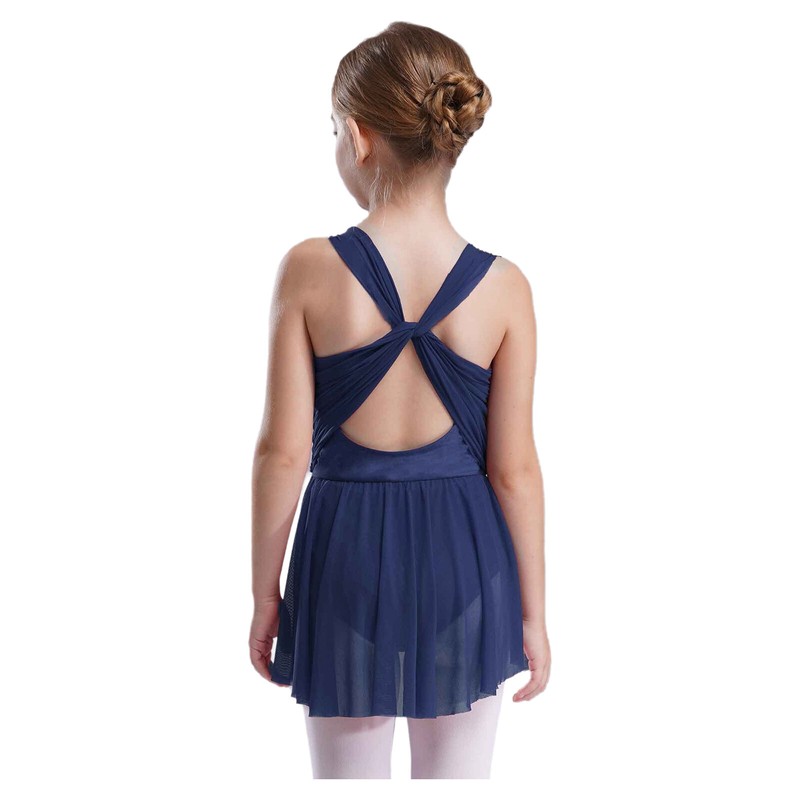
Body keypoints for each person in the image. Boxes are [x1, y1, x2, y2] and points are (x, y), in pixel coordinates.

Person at [250, 21, 549, 779]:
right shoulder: (505, 287)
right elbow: (514, 471)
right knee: (457, 783)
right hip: (466, 558)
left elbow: (282, 454)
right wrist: (534, 613)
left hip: (342, 557)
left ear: (358, 137)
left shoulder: (309, 270)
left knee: (345, 785)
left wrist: (265, 595)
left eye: (332, 129)